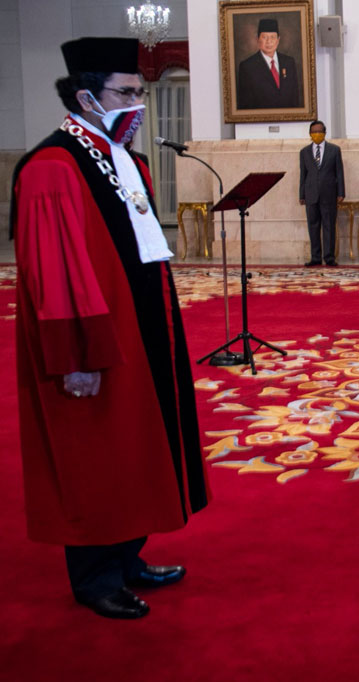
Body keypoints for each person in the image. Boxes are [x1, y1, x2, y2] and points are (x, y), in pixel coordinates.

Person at [9, 37, 211, 619]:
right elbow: (53, 275)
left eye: (140, 92)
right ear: (85, 98)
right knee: (94, 453)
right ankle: (95, 578)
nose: (139, 104)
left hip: (139, 327)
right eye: (126, 93)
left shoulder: (127, 158)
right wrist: (74, 355)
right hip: (90, 342)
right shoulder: (53, 167)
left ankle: (127, 555)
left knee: (136, 446)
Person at [299, 120, 345, 266]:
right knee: (313, 226)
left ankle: (329, 257)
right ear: (310, 134)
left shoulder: (334, 150)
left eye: (319, 131)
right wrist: (301, 194)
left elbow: (339, 172)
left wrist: (341, 192)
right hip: (311, 194)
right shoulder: (304, 152)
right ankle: (315, 257)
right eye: (314, 132)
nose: (317, 134)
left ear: (325, 133)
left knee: (329, 225)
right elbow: (303, 175)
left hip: (329, 194)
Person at [236, 18, 301, 110]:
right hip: (259, 121)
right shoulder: (247, 67)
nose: (269, 41)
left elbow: (295, 98)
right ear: (258, 39)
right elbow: (246, 104)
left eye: (272, 37)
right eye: (264, 37)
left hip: (288, 120)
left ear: (278, 40)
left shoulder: (289, 62)